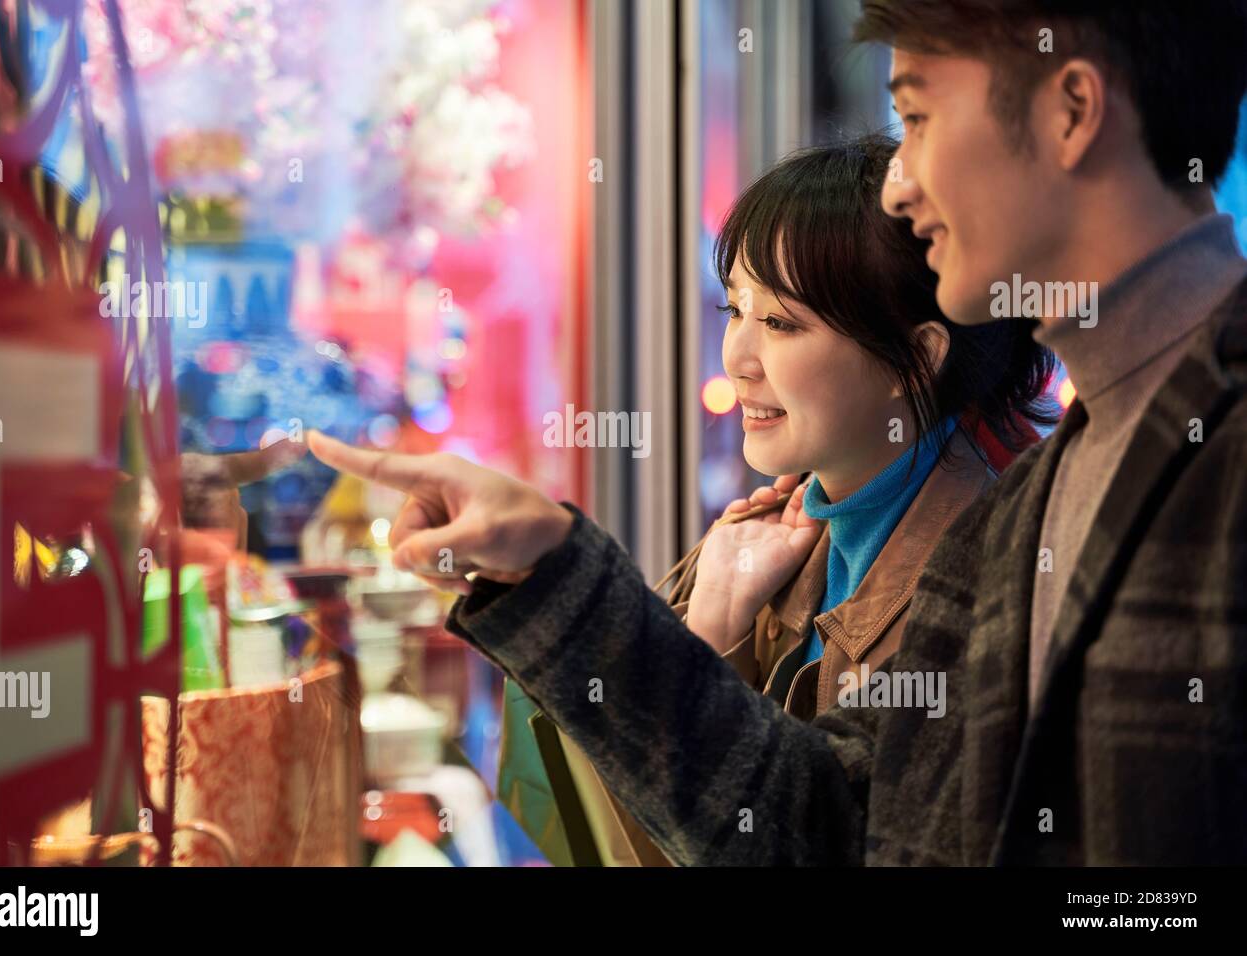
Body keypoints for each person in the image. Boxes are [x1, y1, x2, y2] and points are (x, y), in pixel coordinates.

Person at [310, 0, 1247, 865]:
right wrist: (548, 563)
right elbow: (833, 825)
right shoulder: (1047, 492)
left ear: (1071, 111)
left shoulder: (1125, 467)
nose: (899, 187)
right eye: (737, 311)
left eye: (917, 118)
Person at [496, 135, 1053, 866]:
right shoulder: (777, 536)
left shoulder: (986, 582)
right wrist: (714, 623)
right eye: (735, 309)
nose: (737, 357)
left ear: (915, 357)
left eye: (782, 323)